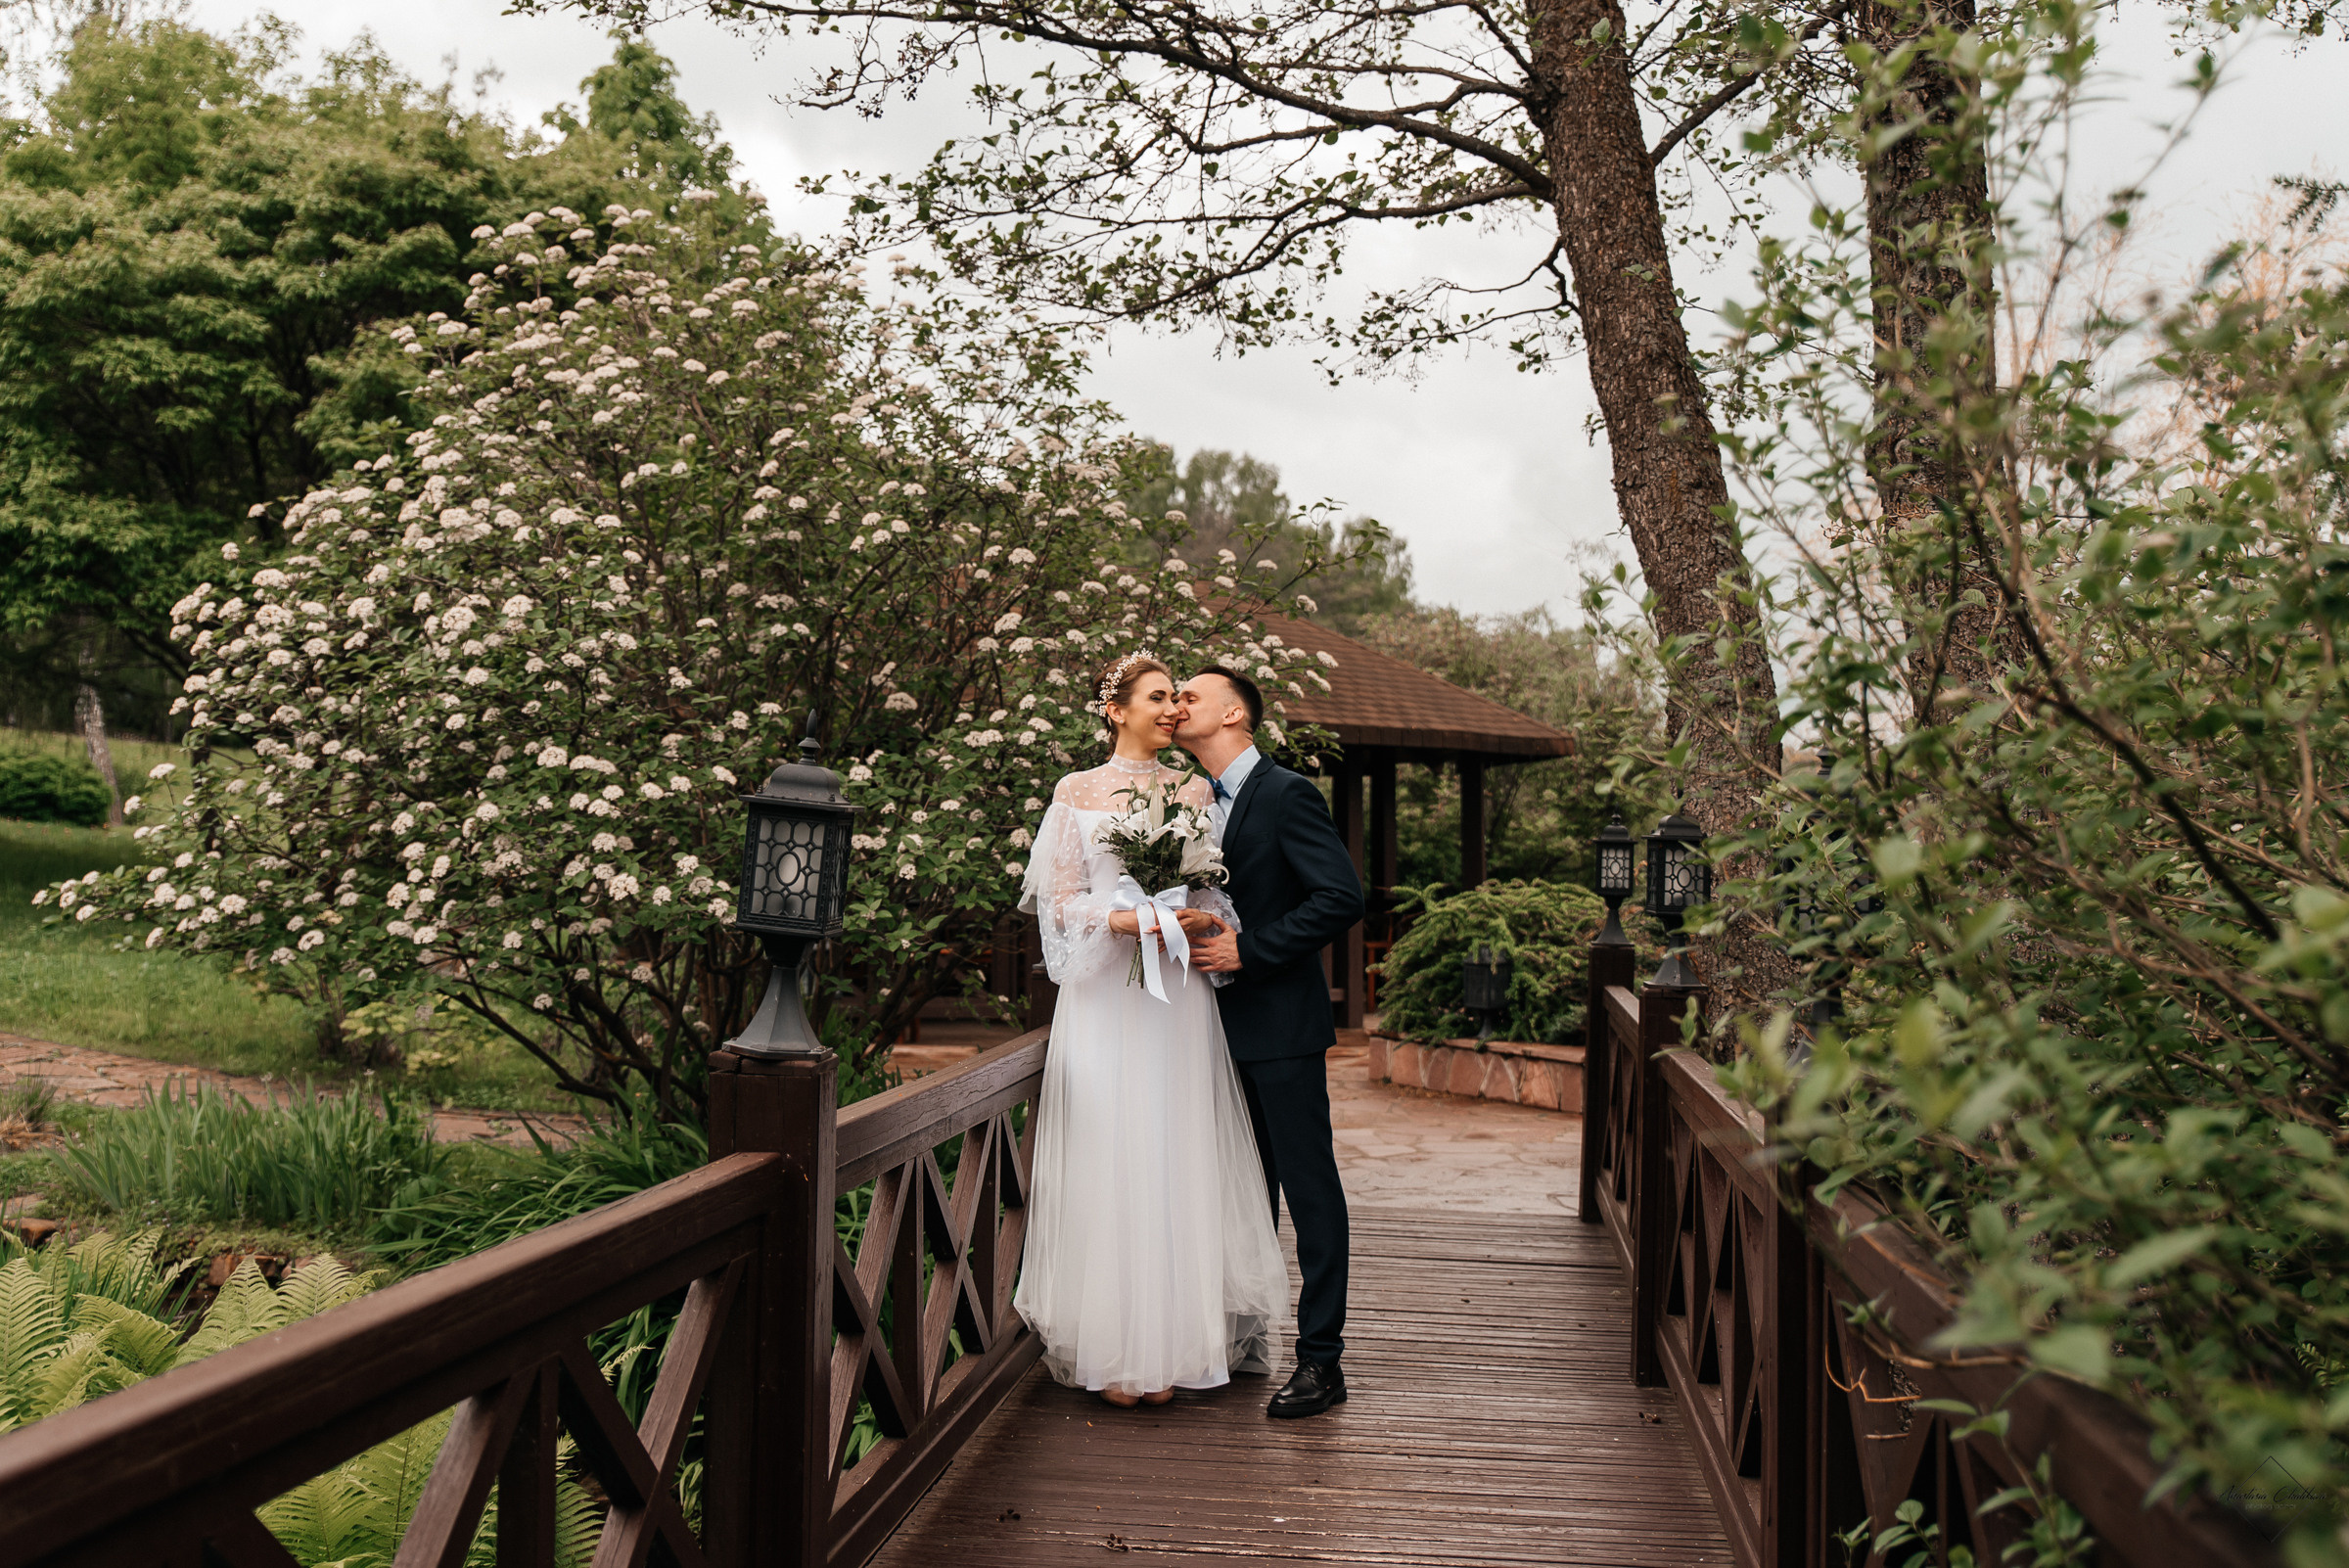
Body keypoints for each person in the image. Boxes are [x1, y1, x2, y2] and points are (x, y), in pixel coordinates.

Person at [1011, 651, 1288, 1407]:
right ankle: (1113, 1351)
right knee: (1113, 1149)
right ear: (1117, 709)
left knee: (1175, 1148)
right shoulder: (1076, 791)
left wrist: (1197, 912)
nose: (1172, 709)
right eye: (1159, 697)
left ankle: (1172, 1346)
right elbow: (1059, 900)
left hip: (1175, 994)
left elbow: (1208, 886)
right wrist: (1121, 916)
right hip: (1107, 994)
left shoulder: (1191, 787)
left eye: (1177, 698)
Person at [1174, 665, 1365, 1419]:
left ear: (1232, 715)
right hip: (1206, 1032)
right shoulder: (1185, 802)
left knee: (1309, 1190)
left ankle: (1322, 1362)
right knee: (1240, 1194)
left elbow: (1339, 896)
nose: (1178, 704)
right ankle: (1246, 1339)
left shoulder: (1285, 793)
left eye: (1191, 694)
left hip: (1280, 1027)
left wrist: (1251, 950)